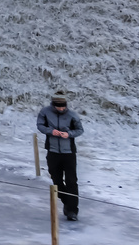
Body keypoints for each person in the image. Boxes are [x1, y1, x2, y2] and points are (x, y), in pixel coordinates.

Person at [37, 93, 83, 221]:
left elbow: (80, 130)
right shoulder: (45, 112)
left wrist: (68, 134)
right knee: (56, 179)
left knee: (71, 181)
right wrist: (51, 131)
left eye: (63, 106)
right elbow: (40, 125)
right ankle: (67, 202)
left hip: (69, 153)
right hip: (52, 152)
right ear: (53, 105)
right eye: (58, 106)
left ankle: (73, 211)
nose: (61, 109)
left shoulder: (72, 115)